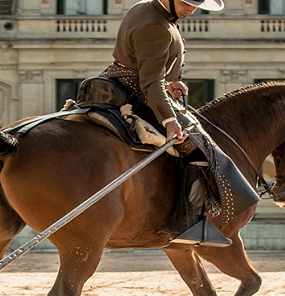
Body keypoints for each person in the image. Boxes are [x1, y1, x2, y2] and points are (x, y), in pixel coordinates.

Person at [98, 0, 232, 246]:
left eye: (197, 4)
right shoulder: (155, 25)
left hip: (124, 79)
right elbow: (150, 82)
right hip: (138, 93)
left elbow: (147, 59)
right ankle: (187, 225)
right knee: (198, 149)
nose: (192, 8)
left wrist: (172, 79)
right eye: (186, 1)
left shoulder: (146, 8)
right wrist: (169, 121)